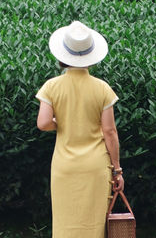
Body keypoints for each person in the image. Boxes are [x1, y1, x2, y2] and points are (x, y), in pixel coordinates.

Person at [36, 20, 124, 238]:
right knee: (93, 226)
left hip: (64, 166)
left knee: (66, 224)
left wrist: (62, 122)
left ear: (62, 55)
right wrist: (117, 170)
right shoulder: (102, 88)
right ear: (90, 55)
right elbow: (110, 132)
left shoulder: (51, 86)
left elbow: (43, 123)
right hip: (95, 167)